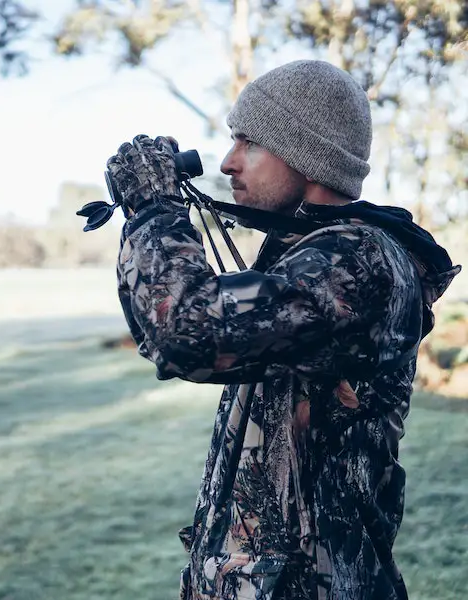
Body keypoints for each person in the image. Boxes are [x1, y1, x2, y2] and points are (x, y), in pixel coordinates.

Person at [105, 60, 461, 600]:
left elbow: (187, 332)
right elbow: (163, 334)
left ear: (307, 155)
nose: (226, 163)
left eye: (248, 143)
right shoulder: (307, 256)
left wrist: (155, 208)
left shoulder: (357, 261)